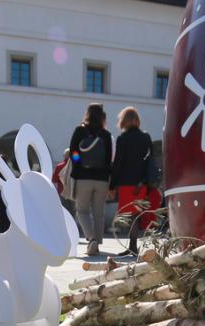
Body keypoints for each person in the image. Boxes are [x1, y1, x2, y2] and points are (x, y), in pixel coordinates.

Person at [110, 106, 161, 256]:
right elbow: (150, 159)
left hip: (126, 182)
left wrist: (112, 185)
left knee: (129, 215)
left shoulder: (122, 138)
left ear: (123, 120)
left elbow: (118, 163)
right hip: (142, 182)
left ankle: (133, 246)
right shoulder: (146, 137)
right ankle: (134, 245)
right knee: (137, 214)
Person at [68, 103, 113, 255]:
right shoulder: (106, 135)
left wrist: (78, 165)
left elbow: (73, 151)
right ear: (102, 117)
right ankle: (97, 243)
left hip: (83, 178)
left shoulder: (79, 130)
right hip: (102, 179)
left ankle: (91, 239)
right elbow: (108, 159)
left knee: (82, 211)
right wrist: (106, 174)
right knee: (99, 213)